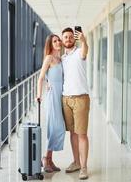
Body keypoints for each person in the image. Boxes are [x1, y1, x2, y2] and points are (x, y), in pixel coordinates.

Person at [61, 27, 90, 180]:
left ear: (75, 38)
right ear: (62, 40)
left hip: (81, 99)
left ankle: (84, 168)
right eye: (65, 37)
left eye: (71, 37)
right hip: (66, 99)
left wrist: (84, 40)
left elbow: (85, 49)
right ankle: (76, 162)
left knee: (82, 134)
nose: (68, 39)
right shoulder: (63, 58)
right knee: (72, 134)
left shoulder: (80, 52)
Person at [37, 34, 65, 173]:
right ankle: (45, 159)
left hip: (61, 95)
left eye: (59, 40)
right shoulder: (49, 58)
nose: (58, 42)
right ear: (50, 44)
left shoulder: (60, 58)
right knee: (55, 127)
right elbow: (41, 78)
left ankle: (50, 159)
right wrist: (39, 95)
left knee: (57, 127)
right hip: (52, 95)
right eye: (55, 41)